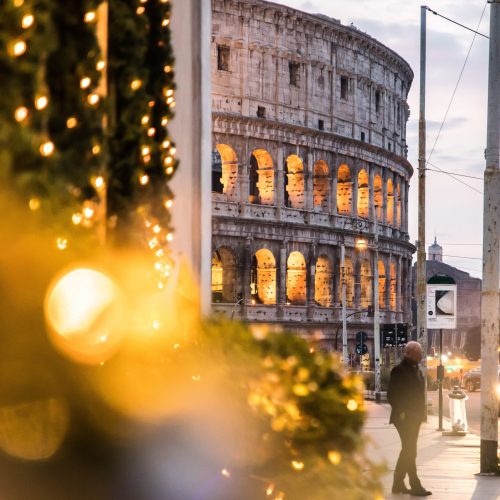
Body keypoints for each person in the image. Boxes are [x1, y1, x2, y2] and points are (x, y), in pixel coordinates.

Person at [387, 341, 432, 496]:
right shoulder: (399, 370)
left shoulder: (417, 369)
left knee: (408, 449)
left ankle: (398, 483)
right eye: (418, 352)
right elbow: (392, 395)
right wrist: (402, 412)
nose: (421, 355)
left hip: (415, 417)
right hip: (404, 418)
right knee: (410, 450)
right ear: (409, 353)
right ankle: (415, 485)